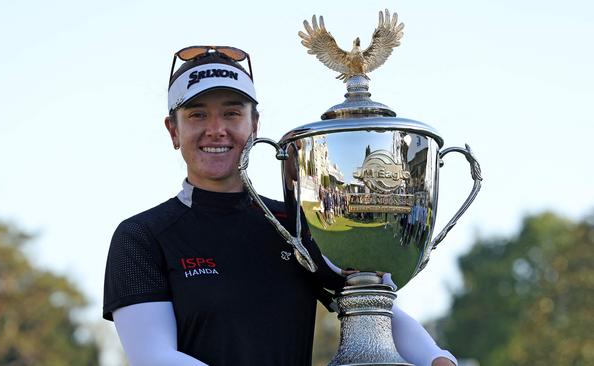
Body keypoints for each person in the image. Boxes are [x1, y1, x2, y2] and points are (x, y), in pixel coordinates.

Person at [103, 45, 457, 366]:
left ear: (254, 126)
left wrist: (436, 358)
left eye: (231, 114)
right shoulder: (142, 237)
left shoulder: (298, 225)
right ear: (173, 131)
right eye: (197, 115)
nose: (216, 129)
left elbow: (371, 303)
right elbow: (153, 356)